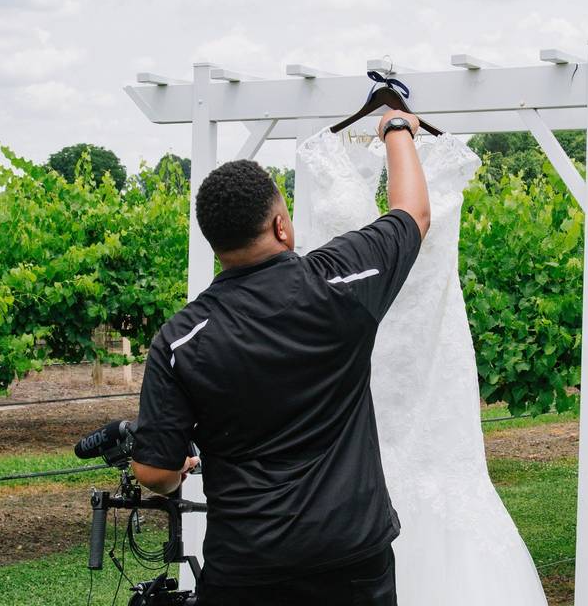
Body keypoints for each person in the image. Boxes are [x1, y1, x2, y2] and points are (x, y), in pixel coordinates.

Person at [131, 109, 428, 606]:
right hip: (350, 553)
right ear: (280, 225)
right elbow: (412, 213)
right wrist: (396, 129)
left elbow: (153, 474)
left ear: (215, 241)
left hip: (249, 564)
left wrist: (177, 466)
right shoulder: (340, 280)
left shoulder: (180, 340)